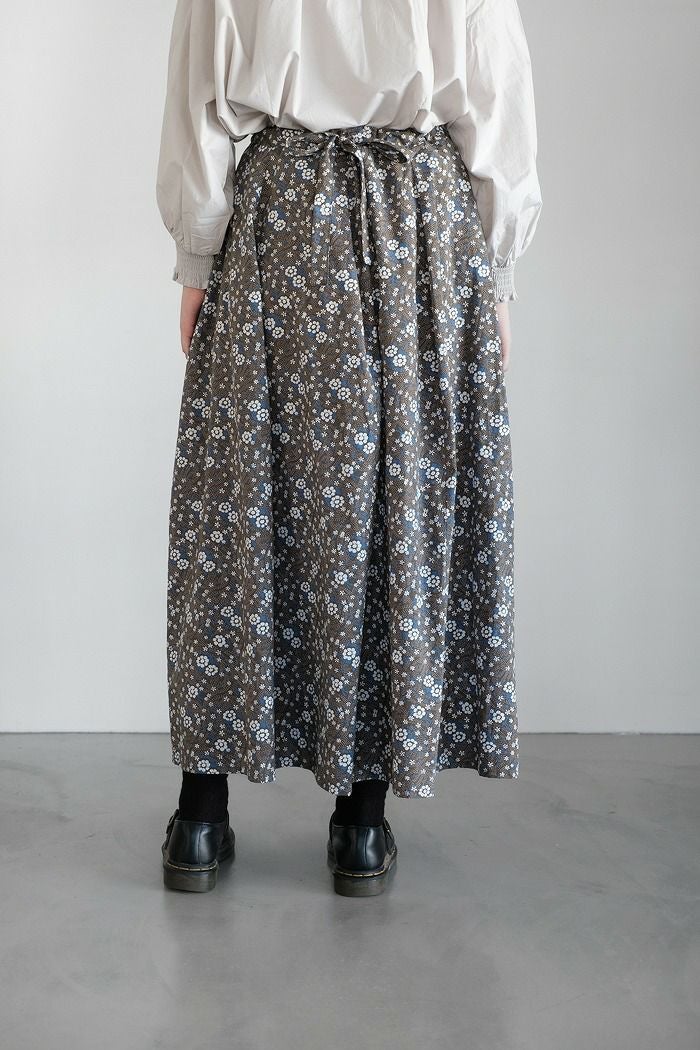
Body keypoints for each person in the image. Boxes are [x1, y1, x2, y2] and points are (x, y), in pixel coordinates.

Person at [155, 0, 542, 896]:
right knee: (395, 508)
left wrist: (196, 258)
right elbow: (495, 99)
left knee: (238, 506)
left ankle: (200, 818)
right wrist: (498, 273)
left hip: (282, 221)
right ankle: (361, 827)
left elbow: (199, 95)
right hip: (422, 229)